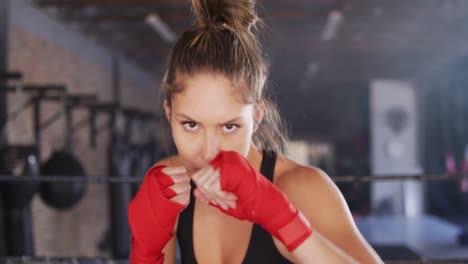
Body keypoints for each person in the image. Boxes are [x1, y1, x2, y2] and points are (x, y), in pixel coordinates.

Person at [128, 0, 383, 263]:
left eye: (229, 127)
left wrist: (283, 220)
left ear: (257, 117)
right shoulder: (169, 186)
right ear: (169, 114)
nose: (208, 151)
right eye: (191, 125)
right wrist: (146, 250)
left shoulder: (302, 187)